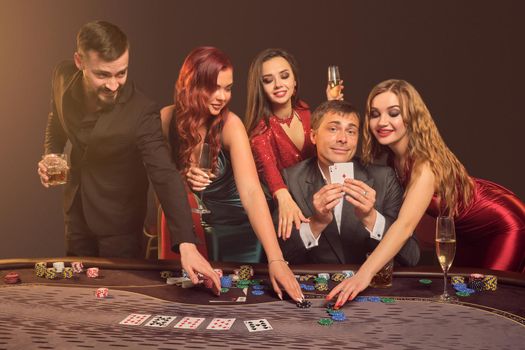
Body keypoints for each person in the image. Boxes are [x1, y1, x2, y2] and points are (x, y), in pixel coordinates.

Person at [37, 20, 220, 292]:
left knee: (117, 299)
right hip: (76, 210)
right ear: (79, 61)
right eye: (103, 75)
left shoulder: (141, 111)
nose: (113, 85)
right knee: (76, 293)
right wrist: (51, 155)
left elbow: (164, 173)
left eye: (121, 73)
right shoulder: (61, 77)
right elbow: (57, 121)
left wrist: (187, 244)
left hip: (120, 223)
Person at [328, 79, 525, 308]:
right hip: (462, 233)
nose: (382, 122)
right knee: (463, 298)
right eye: (374, 114)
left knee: (488, 299)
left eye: (394, 113)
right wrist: (333, 108)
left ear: (412, 116)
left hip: (502, 226)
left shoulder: (425, 164)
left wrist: (363, 276)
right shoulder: (394, 157)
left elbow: (404, 226)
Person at [160, 46, 303, 301]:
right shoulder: (166, 119)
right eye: (214, 87)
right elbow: (164, 177)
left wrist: (276, 259)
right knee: (216, 300)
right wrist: (185, 175)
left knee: (248, 299)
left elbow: (251, 193)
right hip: (210, 225)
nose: (222, 97)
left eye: (228, 88)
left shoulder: (230, 124)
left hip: (247, 226)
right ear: (191, 84)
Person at [278, 100, 420, 266]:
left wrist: (371, 218)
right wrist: (317, 223)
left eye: (351, 131)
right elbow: (277, 255)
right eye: (333, 129)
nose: (343, 139)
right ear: (313, 136)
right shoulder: (289, 179)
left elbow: (412, 257)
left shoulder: (384, 178)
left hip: (370, 287)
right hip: (314, 287)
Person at [245, 48, 344, 239]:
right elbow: (272, 176)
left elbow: (328, 145)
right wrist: (283, 197)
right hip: (291, 210)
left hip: (323, 199)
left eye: (284, 76)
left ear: (294, 81)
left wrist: (331, 105)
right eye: (268, 80)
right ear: (260, 88)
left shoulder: (305, 111)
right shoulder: (260, 132)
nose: (278, 85)